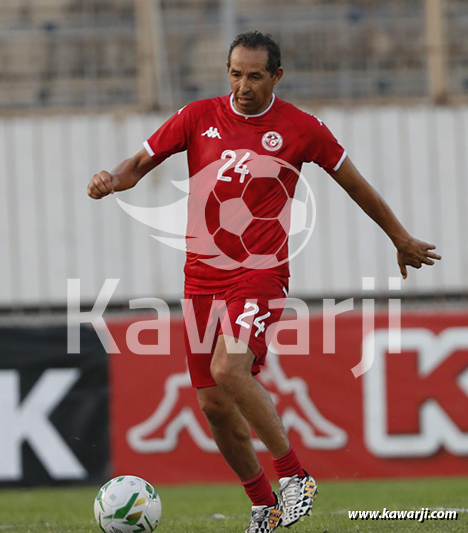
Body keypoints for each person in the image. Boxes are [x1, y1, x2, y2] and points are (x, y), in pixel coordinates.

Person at [88, 31, 441, 533]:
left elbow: (355, 184)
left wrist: (399, 237)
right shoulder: (197, 117)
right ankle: (263, 505)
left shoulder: (301, 128)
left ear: (276, 76)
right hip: (200, 278)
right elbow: (138, 165)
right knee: (212, 404)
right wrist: (111, 179)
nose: (243, 85)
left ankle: (296, 476)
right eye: (235, 73)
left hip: (259, 272)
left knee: (232, 370)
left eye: (254, 75)